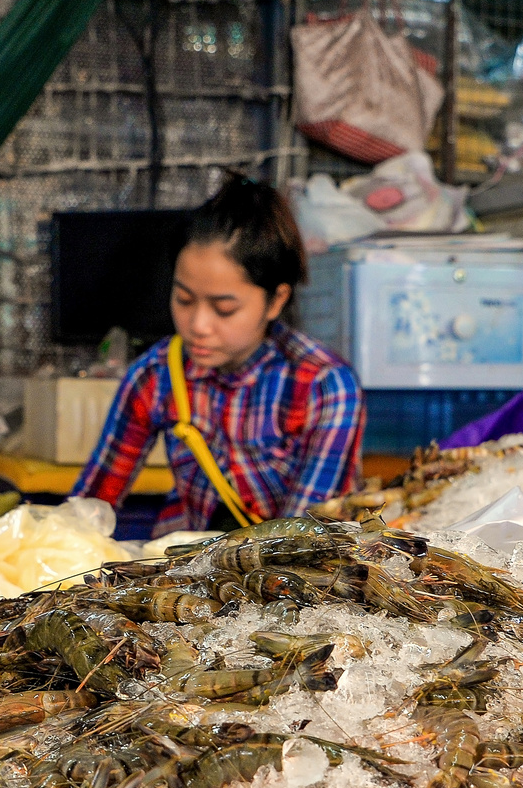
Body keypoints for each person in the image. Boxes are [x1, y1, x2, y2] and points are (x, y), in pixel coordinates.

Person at [73, 174, 365, 535]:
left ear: (276, 300)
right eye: (183, 299)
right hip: (188, 567)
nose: (198, 324)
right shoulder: (156, 374)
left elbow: (300, 539)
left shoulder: (324, 386)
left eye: (224, 309)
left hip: (289, 577)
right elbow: (88, 509)